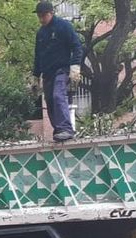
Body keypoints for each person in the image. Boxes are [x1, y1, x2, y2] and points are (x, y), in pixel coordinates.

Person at [32, 1, 83, 142]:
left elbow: (77, 46)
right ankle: (59, 130)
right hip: (47, 73)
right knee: (49, 101)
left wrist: (75, 66)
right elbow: (38, 56)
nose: (41, 19)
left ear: (51, 13)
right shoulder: (41, 33)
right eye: (39, 16)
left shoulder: (63, 26)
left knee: (58, 96)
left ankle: (66, 128)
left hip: (62, 69)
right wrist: (35, 76)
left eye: (44, 16)